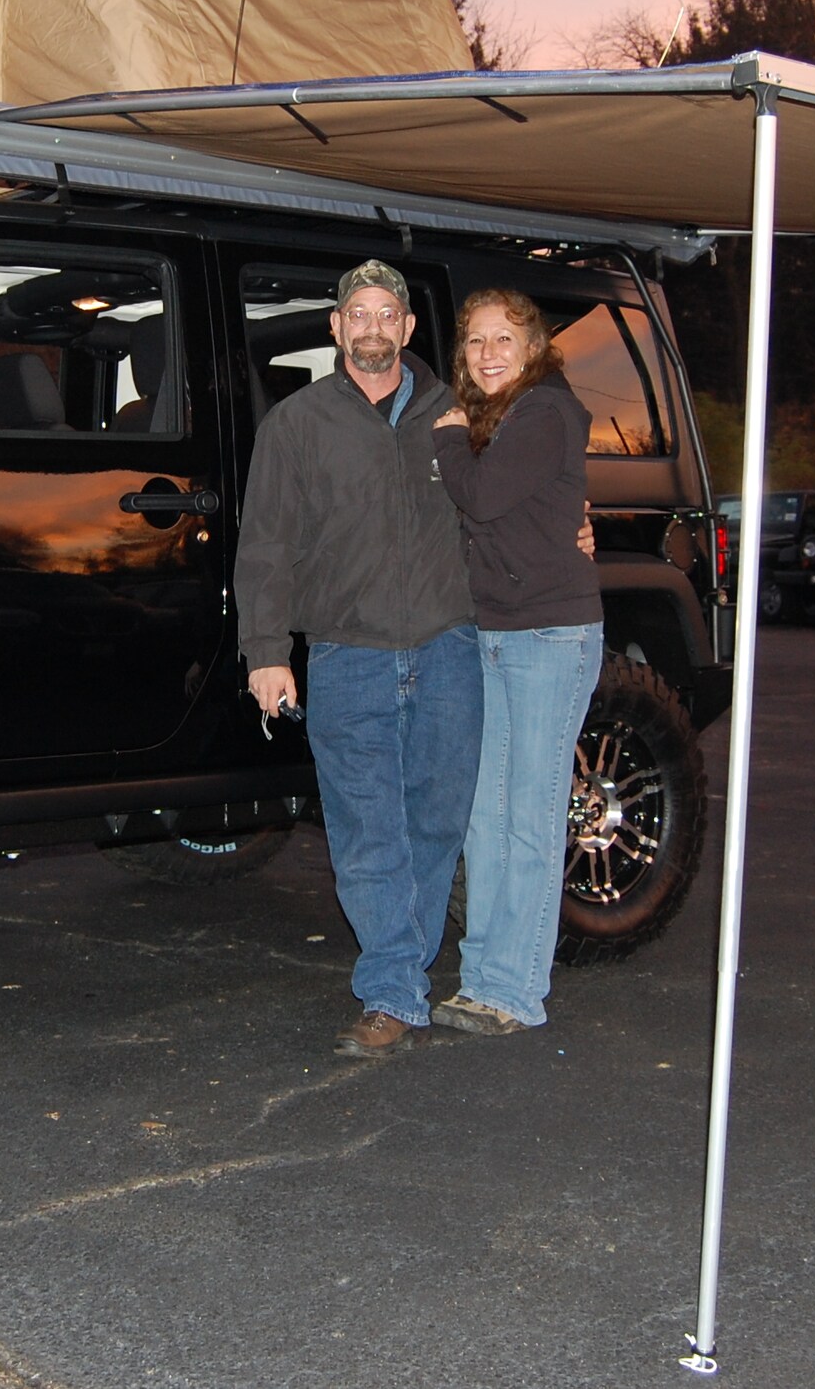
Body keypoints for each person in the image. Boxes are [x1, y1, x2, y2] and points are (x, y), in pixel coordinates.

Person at [235, 259, 482, 1058]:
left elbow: (512, 506)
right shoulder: (296, 426)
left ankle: (401, 974)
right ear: (336, 328)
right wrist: (267, 654)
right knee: (367, 830)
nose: (373, 327)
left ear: (408, 329)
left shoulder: (457, 416)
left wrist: (573, 524)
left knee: (437, 821)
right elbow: (265, 547)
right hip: (347, 656)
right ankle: (393, 993)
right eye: (358, 315)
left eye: (388, 315)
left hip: (448, 648)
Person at [428, 289, 603, 1035]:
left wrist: (445, 440)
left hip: (549, 637)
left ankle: (516, 990)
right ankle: (481, 979)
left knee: (529, 818)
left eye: (505, 338)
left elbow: (488, 497)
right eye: (475, 340)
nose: (489, 352)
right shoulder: (490, 419)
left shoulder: (544, 411)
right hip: (493, 633)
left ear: (535, 348)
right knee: (484, 817)